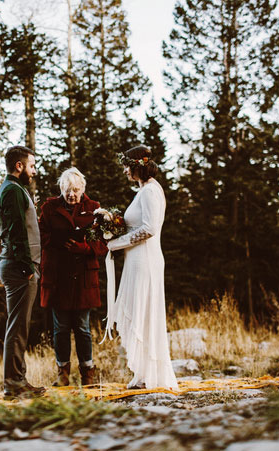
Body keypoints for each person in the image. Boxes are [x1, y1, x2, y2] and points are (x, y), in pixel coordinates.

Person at [105, 145, 178, 390]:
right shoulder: (143, 191)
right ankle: (143, 373)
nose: (124, 170)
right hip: (136, 259)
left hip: (145, 260)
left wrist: (116, 243)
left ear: (138, 165)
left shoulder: (150, 192)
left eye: (127, 165)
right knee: (140, 313)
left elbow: (148, 229)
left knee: (144, 313)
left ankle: (151, 375)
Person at [39, 168, 108, 386]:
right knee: (60, 328)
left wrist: (84, 247)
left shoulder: (94, 208)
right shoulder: (49, 208)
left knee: (82, 327)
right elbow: (40, 236)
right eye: (68, 190)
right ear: (61, 189)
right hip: (58, 275)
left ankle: (88, 372)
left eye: (76, 190)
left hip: (83, 276)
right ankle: (63, 373)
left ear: (83, 189)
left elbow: (104, 242)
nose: (72, 195)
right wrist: (60, 243)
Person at [0, 145, 46, 400]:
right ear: (19, 166)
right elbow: (16, 234)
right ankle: (14, 384)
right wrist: (28, 267)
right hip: (19, 268)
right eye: (32, 166)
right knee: (17, 327)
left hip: (18, 266)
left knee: (19, 326)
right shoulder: (13, 191)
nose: (33, 171)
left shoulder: (15, 191)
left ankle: (17, 381)